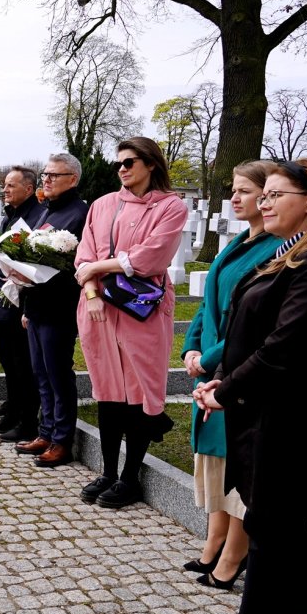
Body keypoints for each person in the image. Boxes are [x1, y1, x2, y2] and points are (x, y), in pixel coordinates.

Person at [194, 158, 307, 614]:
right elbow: (249, 329)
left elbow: (284, 347)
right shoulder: (287, 253)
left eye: (274, 195)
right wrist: (223, 378)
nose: (263, 202)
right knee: (269, 523)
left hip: (294, 415)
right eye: (262, 195)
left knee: (279, 526)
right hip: (265, 409)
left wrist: (224, 392)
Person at [180, 160, 280, 590]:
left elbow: (250, 320)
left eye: (244, 190)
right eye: (233, 190)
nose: (235, 198)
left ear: (268, 194)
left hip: (239, 367)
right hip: (214, 363)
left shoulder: (276, 247)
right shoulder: (239, 240)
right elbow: (208, 305)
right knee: (216, 460)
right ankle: (215, 540)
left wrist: (212, 357)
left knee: (236, 463)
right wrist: (192, 345)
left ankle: (233, 553)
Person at [74, 136, 187, 509]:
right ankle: (108, 471)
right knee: (107, 389)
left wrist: (98, 268)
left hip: (143, 310)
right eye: (119, 163)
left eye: (130, 162)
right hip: (98, 310)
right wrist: (92, 290)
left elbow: (150, 257)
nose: (122, 169)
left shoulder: (171, 207)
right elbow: (83, 256)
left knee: (138, 390)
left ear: (151, 164)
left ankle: (130, 477)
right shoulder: (103, 205)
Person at [10, 154, 89, 467]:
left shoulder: (80, 214)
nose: (47, 179)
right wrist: (27, 304)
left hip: (61, 307)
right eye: (45, 174)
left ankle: (61, 440)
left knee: (58, 375)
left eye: (54, 175)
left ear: (73, 179)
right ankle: (45, 431)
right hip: (38, 306)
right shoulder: (46, 212)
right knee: (40, 374)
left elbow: (77, 264)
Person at [0, 166, 45, 441]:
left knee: (23, 364)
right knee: (8, 360)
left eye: (11, 185)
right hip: (5, 300)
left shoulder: (37, 216)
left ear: (29, 189)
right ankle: (12, 412)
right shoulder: (12, 216)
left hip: (23, 302)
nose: (5, 190)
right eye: (5, 185)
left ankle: (27, 420)